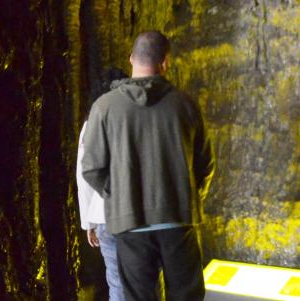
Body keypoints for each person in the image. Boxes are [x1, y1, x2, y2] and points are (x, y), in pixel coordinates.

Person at [81, 31, 215, 301]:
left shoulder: (104, 107)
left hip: (130, 224)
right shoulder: (185, 105)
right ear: (166, 62)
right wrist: (189, 197)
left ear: (131, 59)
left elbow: (92, 167)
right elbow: (205, 164)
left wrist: (119, 196)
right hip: (178, 219)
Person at [76, 67, 128, 301]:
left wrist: (89, 222)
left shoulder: (90, 124)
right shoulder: (133, 117)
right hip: (137, 215)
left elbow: (84, 175)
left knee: (116, 283)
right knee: (146, 281)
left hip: (104, 214)